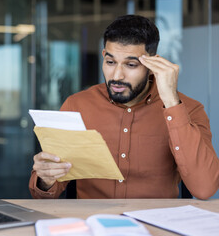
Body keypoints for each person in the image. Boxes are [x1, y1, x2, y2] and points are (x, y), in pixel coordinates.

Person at [29, 15, 219, 200]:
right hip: (92, 225)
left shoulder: (189, 110)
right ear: (103, 56)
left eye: (130, 64)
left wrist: (171, 102)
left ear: (152, 64)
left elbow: (205, 189)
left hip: (155, 226)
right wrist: (46, 179)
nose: (117, 75)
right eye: (110, 62)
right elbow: (45, 192)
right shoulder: (77, 105)